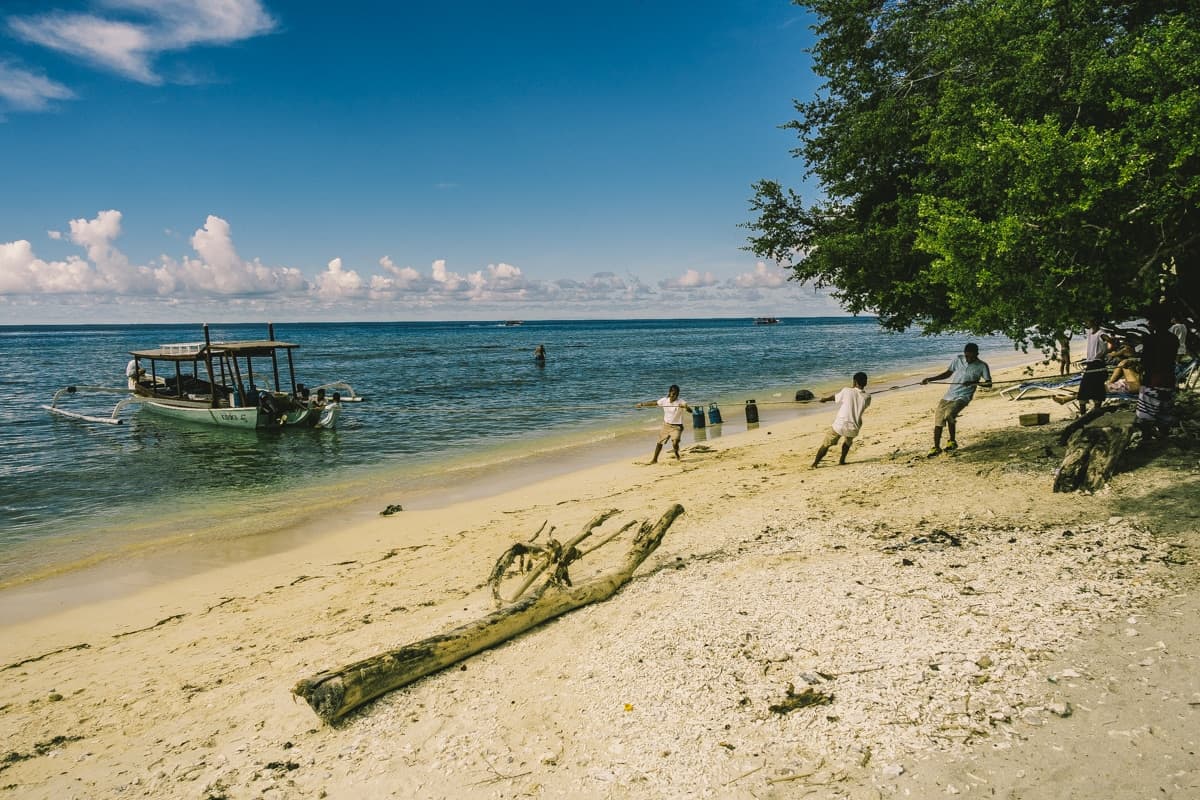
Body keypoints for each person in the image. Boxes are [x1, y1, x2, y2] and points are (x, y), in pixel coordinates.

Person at [921, 343, 992, 456]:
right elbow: (947, 374)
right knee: (939, 420)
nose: (969, 359)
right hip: (949, 395)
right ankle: (936, 447)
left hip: (963, 396)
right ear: (964, 354)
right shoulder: (958, 359)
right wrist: (930, 379)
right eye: (967, 356)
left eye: (972, 357)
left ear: (977, 354)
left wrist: (974, 382)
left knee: (949, 414)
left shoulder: (982, 366)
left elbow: (989, 384)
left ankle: (952, 441)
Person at [812, 371, 870, 468]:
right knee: (847, 443)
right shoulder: (868, 397)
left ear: (855, 382)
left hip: (840, 425)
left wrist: (824, 399)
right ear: (865, 383)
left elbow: (834, 397)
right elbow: (860, 400)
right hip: (854, 427)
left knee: (826, 444)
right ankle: (842, 461)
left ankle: (815, 464)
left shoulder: (847, 390)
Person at [635, 384, 692, 463]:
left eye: (676, 394)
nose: (674, 396)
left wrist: (686, 407)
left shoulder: (681, 402)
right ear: (669, 392)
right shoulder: (664, 400)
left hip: (677, 426)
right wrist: (642, 404)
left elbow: (690, 411)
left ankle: (676, 453)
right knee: (659, 443)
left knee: (675, 442)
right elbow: (654, 403)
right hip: (666, 425)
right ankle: (654, 459)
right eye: (673, 393)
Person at [1077, 319, 1107, 415]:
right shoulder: (1091, 332)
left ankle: (1089, 414)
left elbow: (1111, 342)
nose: (1086, 323)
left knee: (1086, 389)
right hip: (1091, 363)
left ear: (1094, 322)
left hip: (1097, 364)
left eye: (1088, 321)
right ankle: (1088, 414)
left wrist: (1103, 353)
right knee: (1093, 389)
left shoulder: (1101, 333)